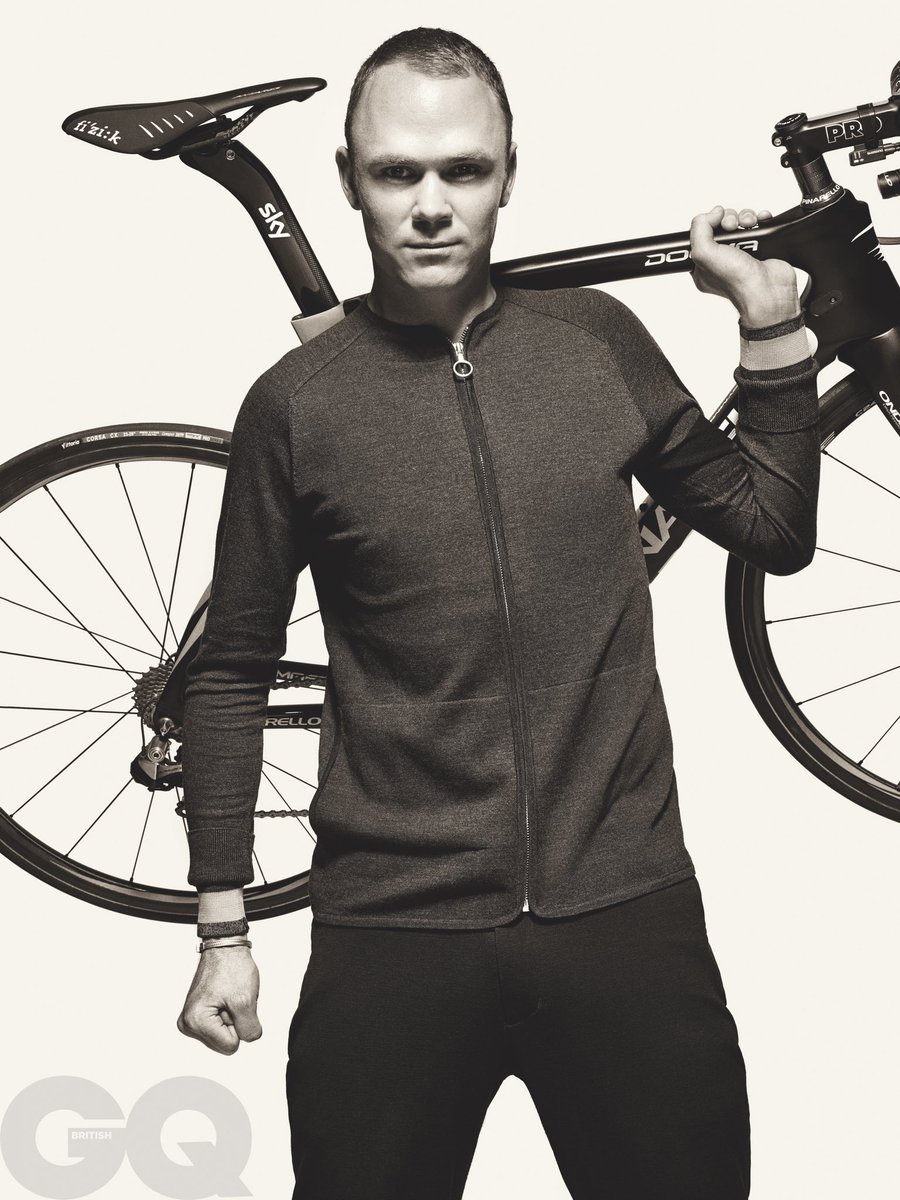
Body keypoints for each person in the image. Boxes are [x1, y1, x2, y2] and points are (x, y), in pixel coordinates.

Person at [176, 26, 820, 1200]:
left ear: (509, 173)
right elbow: (230, 671)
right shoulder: (296, 406)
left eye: (463, 171)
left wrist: (770, 330)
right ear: (349, 180)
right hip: (391, 937)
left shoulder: (599, 345)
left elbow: (771, 529)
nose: (431, 206)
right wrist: (224, 931)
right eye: (397, 173)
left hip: (626, 917)